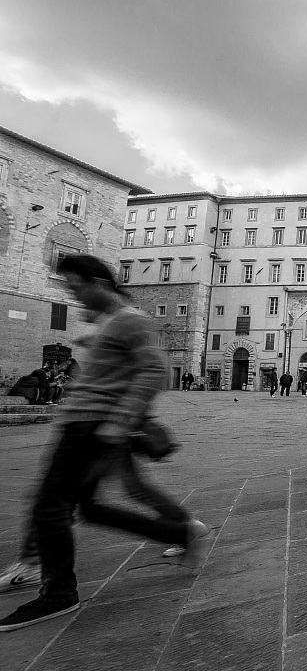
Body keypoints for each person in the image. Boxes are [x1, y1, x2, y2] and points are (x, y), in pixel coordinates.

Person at [0, 255, 206, 632]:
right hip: (86, 423)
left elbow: (155, 370)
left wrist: (120, 421)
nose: (73, 295)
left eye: (76, 287)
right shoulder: (114, 321)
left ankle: (58, 593)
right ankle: (178, 532)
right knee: (89, 508)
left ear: (98, 282)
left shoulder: (130, 320)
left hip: (91, 426)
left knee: (49, 508)